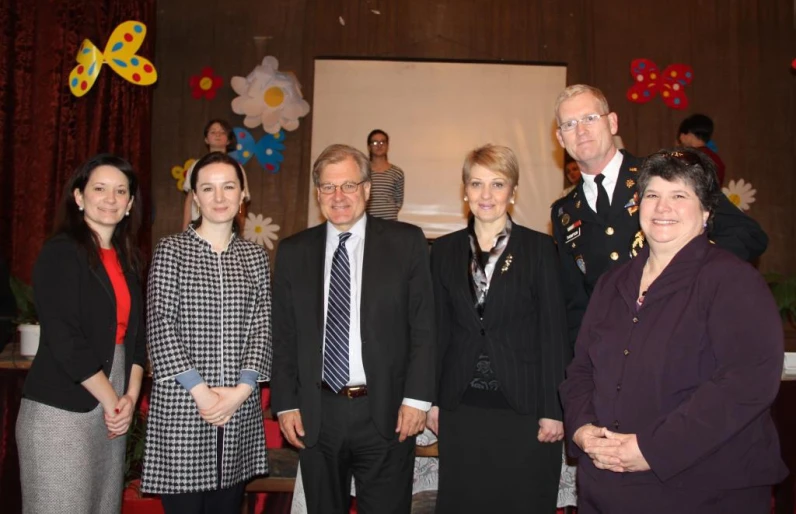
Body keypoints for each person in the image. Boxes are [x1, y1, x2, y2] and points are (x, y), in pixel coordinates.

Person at [559, 148, 787, 513]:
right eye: (652, 195)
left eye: (679, 195)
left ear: (707, 211)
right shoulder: (611, 284)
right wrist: (583, 429)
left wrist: (652, 448)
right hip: (607, 488)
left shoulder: (733, 281)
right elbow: (581, 370)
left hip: (703, 489)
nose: (662, 208)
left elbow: (746, 384)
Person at [271, 144, 434, 513]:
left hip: (388, 412)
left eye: (348, 185)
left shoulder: (406, 243)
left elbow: (424, 327)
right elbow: (282, 336)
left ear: (367, 189)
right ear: (317, 194)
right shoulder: (294, 251)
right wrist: (285, 403)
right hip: (317, 414)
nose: (338, 196)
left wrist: (417, 399)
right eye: (328, 187)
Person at [550, 84, 768, 348]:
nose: (581, 131)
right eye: (569, 124)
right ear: (561, 139)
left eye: (590, 118)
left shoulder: (664, 173)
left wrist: (690, 273)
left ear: (613, 123)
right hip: (613, 357)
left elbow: (747, 235)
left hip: (685, 342)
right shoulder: (564, 211)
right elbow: (576, 306)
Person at [427, 144, 569, 513]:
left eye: (497, 184)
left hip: (523, 408)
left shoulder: (540, 248)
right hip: (461, 407)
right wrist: (434, 399)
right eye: (476, 184)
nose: (486, 195)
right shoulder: (442, 251)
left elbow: (554, 331)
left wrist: (554, 407)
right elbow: (437, 331)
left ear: (513, 191)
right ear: (464, 190)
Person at [16, 154, 146, 513]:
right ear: (78, 196)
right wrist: (111, 399)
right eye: (99, 188)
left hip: (113, 407)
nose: (110, 198)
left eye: (121, 191)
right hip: (63, 409)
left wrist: (130, 399)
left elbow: (137, 342)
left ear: (130, 203)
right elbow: (64, 337)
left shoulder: (129, 260)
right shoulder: (60, 252)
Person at [142, 152, 272, 513]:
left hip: (237, 409)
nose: (219, 198)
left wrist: (240, 392)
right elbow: (160, 326)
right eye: (208, 188)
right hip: (184, 407)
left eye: (228, 187)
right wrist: (202, 394)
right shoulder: (172, 250)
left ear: (243, 193)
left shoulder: (254, 257)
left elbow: (262, 327)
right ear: (195, 197)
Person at [181, 119, 251, 230]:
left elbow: (241, 202)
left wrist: (240, 226)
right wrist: (185, 228)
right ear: (206, 139)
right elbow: (190, 199)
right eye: (213, 132)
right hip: (198, 225)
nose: (217, 135)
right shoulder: (196, 166)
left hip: (228, 227)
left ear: (228, 140)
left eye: (222, 132)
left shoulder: (236, 168)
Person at [365, 129, 405, 220]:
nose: (379, 145)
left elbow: (398, 200)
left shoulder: (397, 172)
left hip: (390, 221)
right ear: (369, 147)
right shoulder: (363, 171)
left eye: (382, 142)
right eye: (375, 143)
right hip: (368, 221)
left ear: (387, 146)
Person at [677, 113, 725, 185]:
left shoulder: (687, 157)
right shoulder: (716, 159)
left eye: (682, 133)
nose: (680, 137)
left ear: (689, 133)